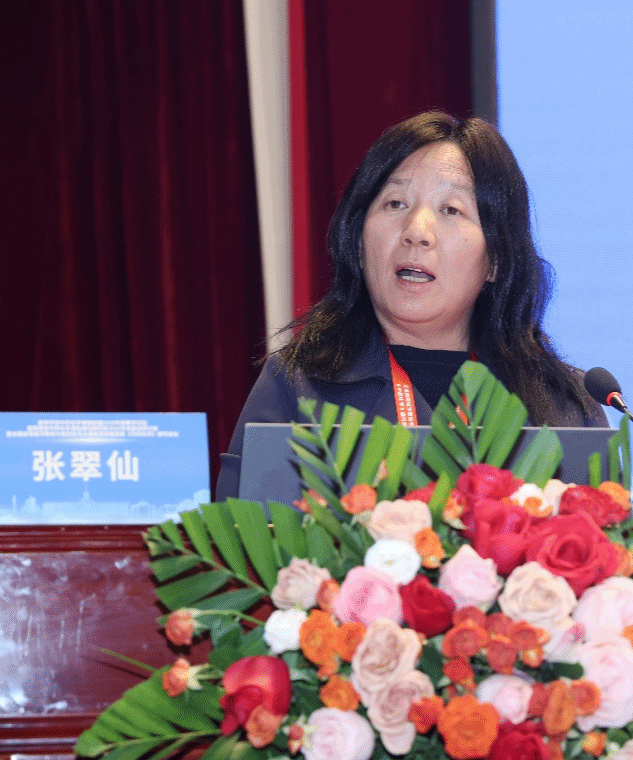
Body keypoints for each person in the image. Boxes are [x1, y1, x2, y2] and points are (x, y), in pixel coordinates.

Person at [216, 111, 608, 500]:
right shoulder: (297, 386)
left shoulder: (566, 409)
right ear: (358, 240)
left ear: (496, 261)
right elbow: (239, 533)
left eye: (451, 210)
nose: (416, 232)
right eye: (396, 203)